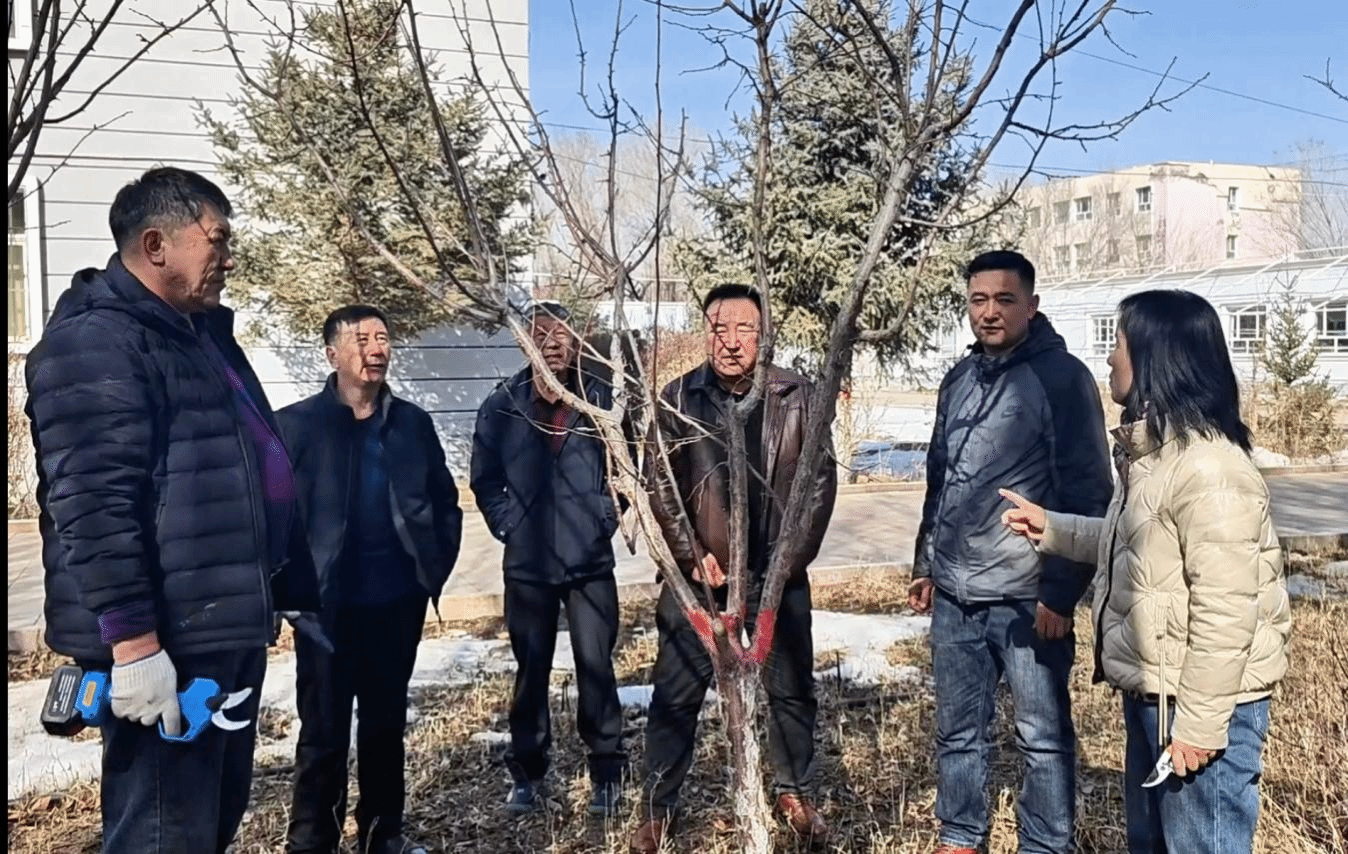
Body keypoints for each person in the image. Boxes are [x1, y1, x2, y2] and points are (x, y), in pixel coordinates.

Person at [24, 166, 320, 853]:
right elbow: (92, 505)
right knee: (163, 832)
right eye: (216, 239)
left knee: (208, 822)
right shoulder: (96, 343)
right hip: (166, 644)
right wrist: (133, 644)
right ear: (155, 244)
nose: (229, 257)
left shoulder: (197, 334)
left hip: (217, 628)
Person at [1001, 289, 1291, 854]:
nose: (1110, 358)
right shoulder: (1156, 457)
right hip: (1157, 694)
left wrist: (1200, 725)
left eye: (1120, 344)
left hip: (1197, 705)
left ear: (1159, 358)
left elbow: (1228, 609)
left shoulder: (1209, 468)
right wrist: (1052, 528)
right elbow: (1138, 546)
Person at [907, 250, 1113, 854]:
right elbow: (941, 478)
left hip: (1028, 597)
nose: (989, 312)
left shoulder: (1062, 378)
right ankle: (960, 834)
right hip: (956, 596)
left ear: (1032, 305)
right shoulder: (959, 379)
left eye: (1004, 299)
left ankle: (1046, 843)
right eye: (978, 300)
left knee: (1041, 737)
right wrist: (926, 563)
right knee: (956, 731)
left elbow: (1087, 491)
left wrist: (1060, 592)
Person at [630, 283, 838, 854]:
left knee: (791, 691)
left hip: (777, 579)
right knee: (675, 695)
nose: (730, 342)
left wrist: (789, 562)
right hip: (702, 582)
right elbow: (661, 485)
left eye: (744, 329)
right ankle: (657, 810)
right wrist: (691, 554)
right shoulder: (679, 397)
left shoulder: (797, 395)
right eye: (718, 329)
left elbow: (819, 485)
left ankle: (794, 793)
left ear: (764, 335)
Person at [278, 305, 464, 854]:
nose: (376, 349)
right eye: (361, 340)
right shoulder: (295, 427)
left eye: (383, 338)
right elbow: (272, 518)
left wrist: (431, 567)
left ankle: (384, 835)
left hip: (395, 603)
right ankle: (312, 841)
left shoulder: (411, 424)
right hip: (324, 610)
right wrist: (286, 592)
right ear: (332, 353)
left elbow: (444, 501)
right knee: (322, 732)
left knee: (385, 726)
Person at [470, 301, 628, 817]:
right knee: (530, 669)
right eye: (540, 334)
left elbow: (626, 470)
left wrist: (605, 516)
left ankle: (607, 770)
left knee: (596, 665)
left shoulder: (601, 400)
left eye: (561, 334)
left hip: (589, 561)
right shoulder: (502, 405)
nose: (552, 343)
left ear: (576, 341)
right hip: (528, 565)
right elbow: (485, 479)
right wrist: (510, 525)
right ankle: (528, 771)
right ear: (524, 343)